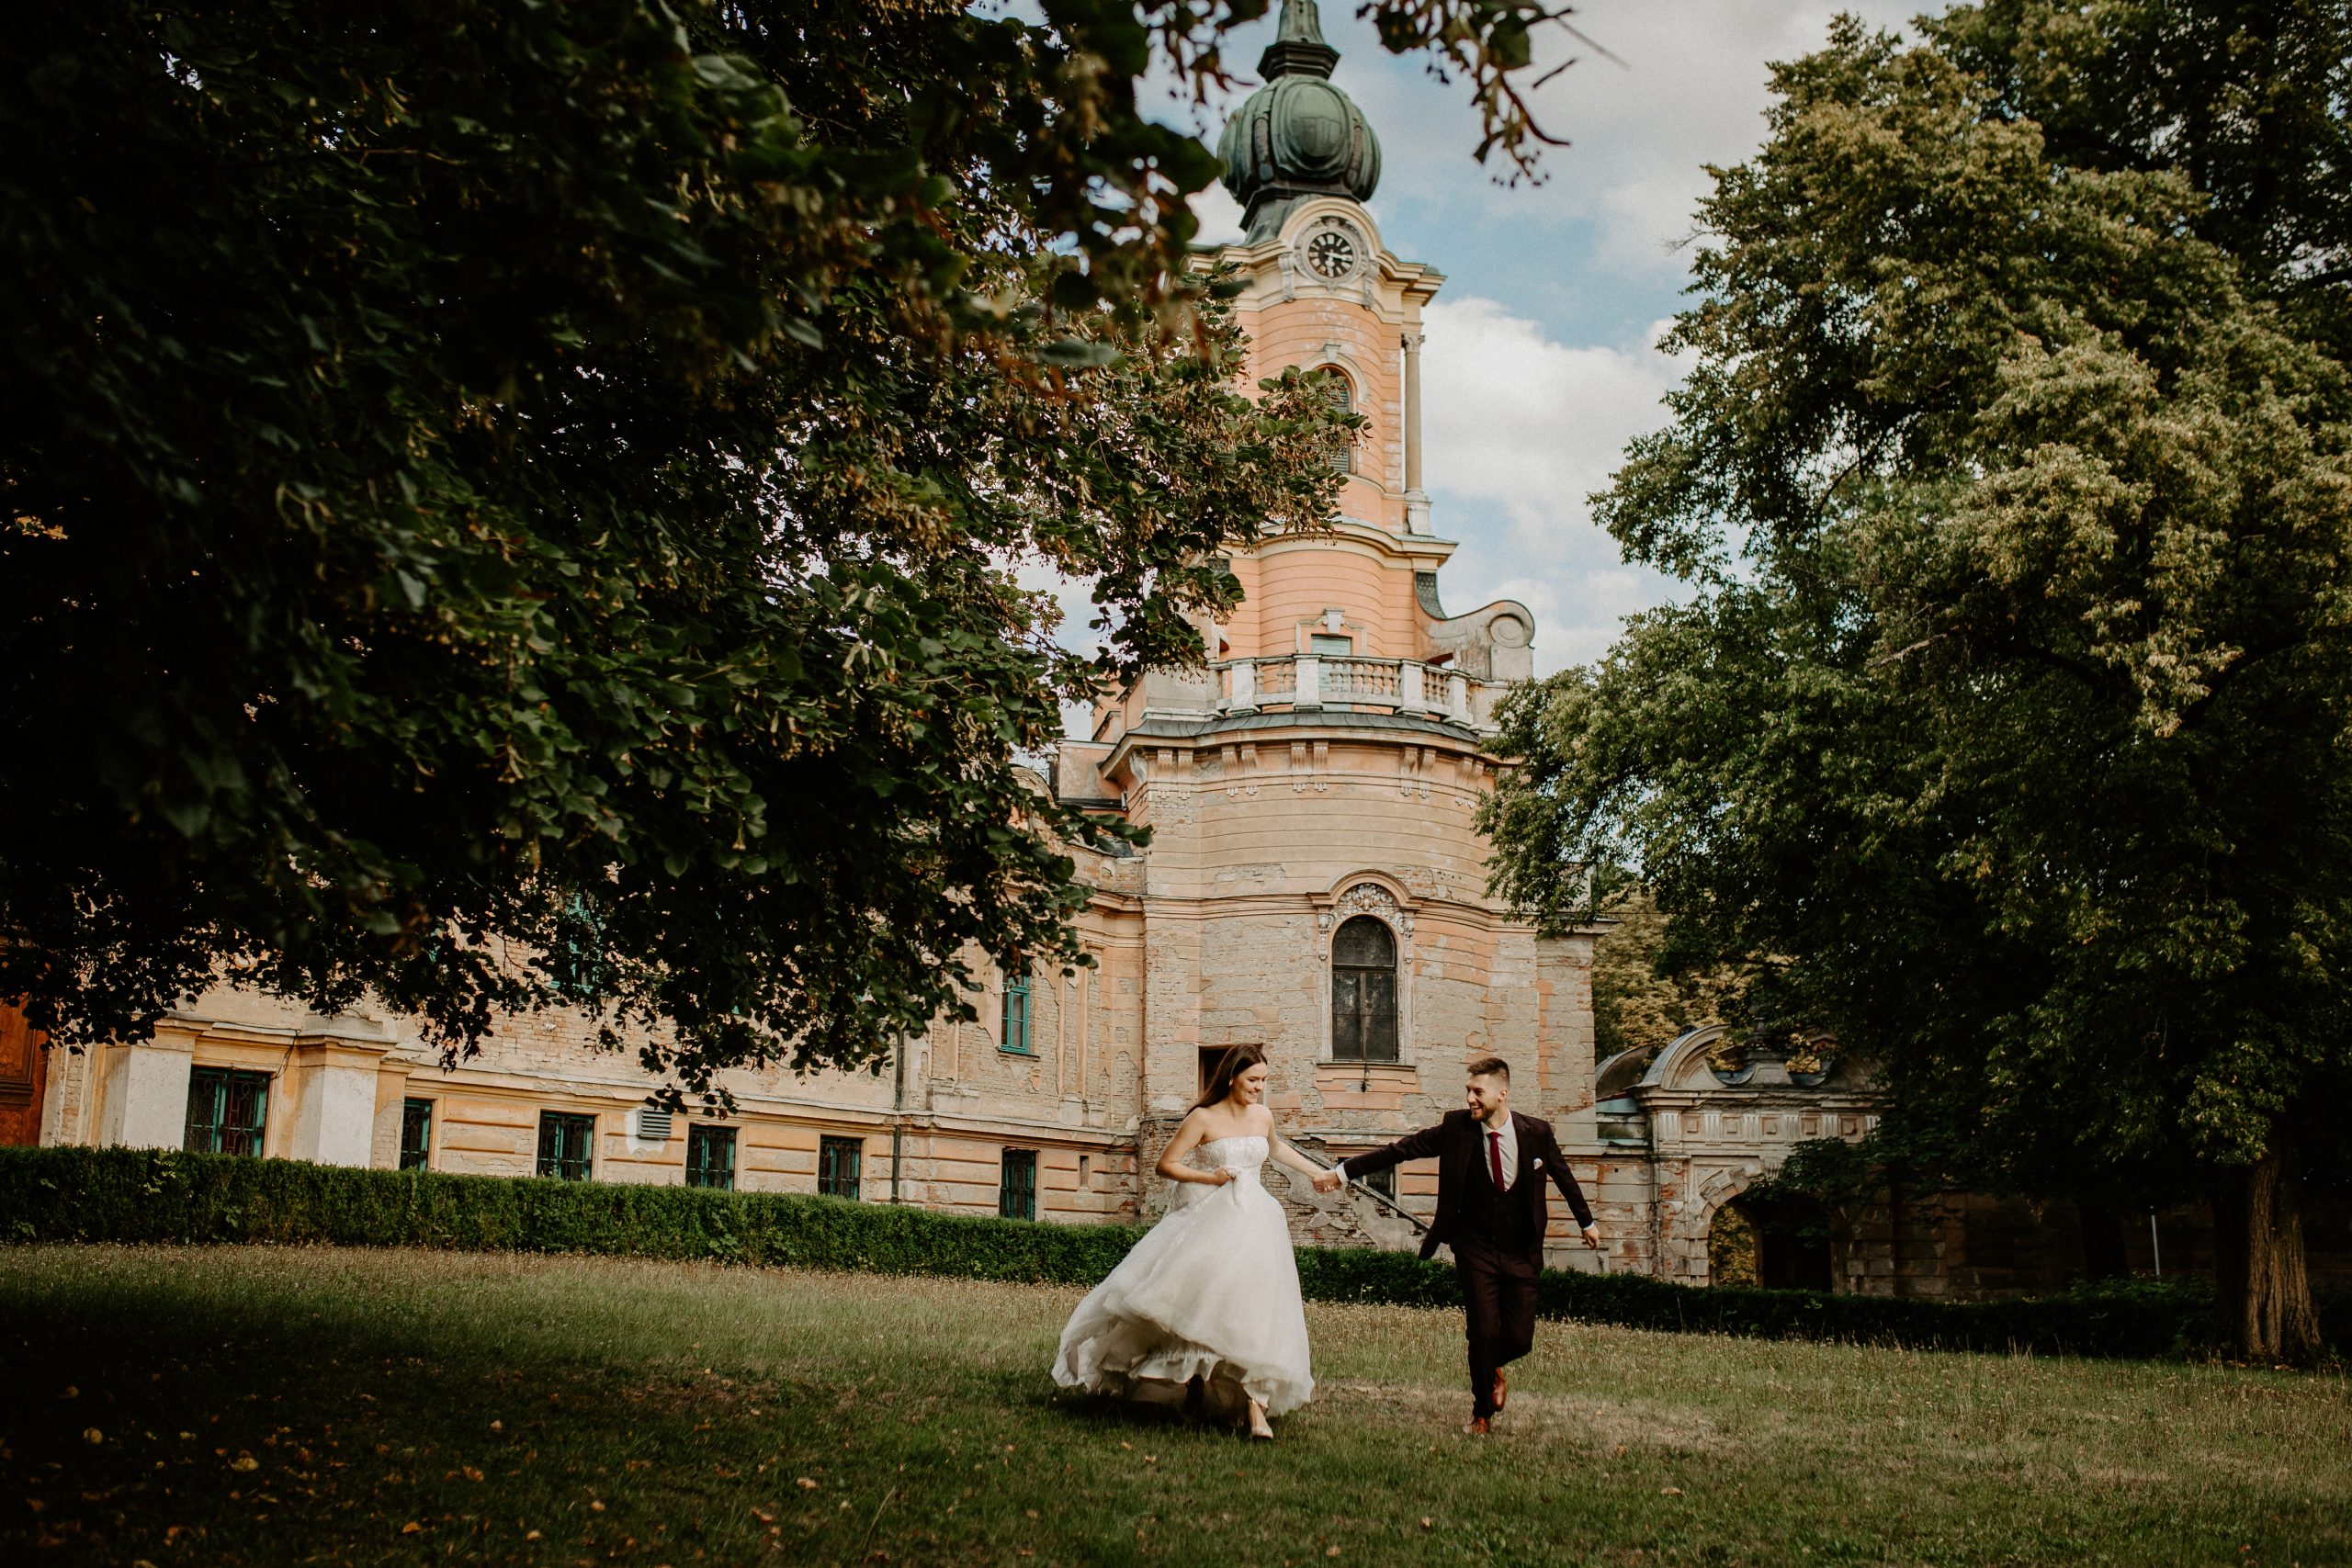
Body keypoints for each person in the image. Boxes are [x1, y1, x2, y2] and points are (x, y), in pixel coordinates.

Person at [1312, 1055, 1598, 1435]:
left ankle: (1490, 1367)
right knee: (1481, 1332)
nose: (1470, 1099)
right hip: (1474, 1247)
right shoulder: (1455, 1129)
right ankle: (1481, 1413)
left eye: (1478, 1092)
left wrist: (1586, 1222)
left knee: (1518, 1338)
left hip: (1520, 1251)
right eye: (1468, 1091)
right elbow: (1401, 1150)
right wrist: (1343, 1172)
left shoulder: (1536, 1133)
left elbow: (1563, 1176)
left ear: (1502, 1093)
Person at [1052, 1044, 1322, 1438]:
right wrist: (1209, 1178)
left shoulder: (1263, 1115)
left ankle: (1255, 1405)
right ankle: (1195, 1389)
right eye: (1252, 1080)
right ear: (1231, 1077)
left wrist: (1321, 1173)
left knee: (1255, 1308)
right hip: (1213, 1217)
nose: (1259, 1089)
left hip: (1259, 1221)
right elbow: (1166, 1164)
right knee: (1202, 1306)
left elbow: (1277, 1149)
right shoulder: (1203, 1118)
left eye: (1263, 1081)